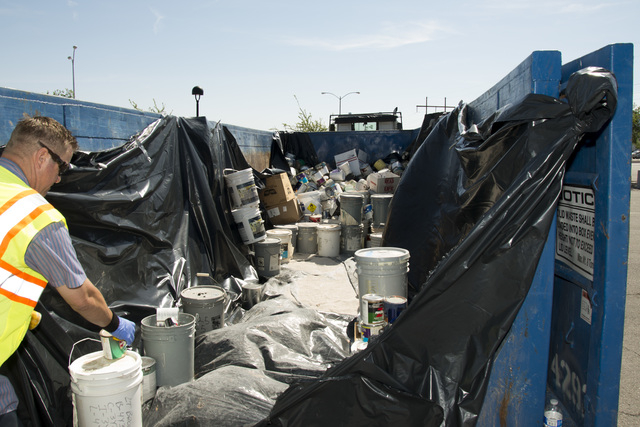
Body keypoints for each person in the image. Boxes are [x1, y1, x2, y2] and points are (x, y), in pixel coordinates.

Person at [0, 115, 136, 425]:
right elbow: (83, 298)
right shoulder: (33, 214)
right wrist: (115, 324)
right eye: (62, 167)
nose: (60, 179)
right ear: (41, 156)